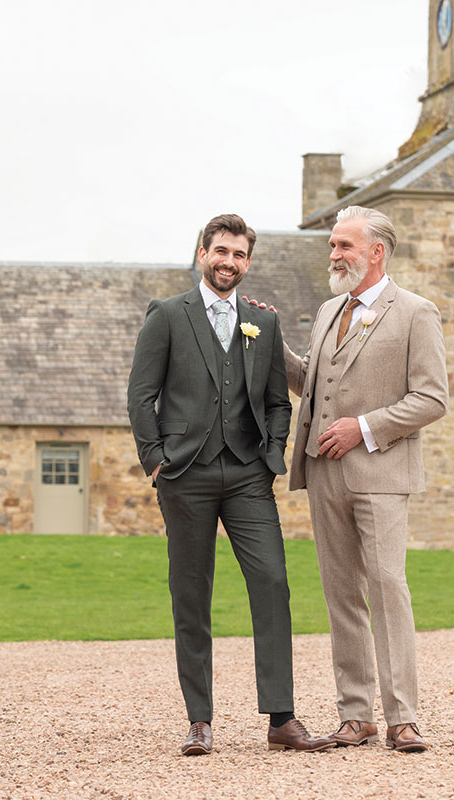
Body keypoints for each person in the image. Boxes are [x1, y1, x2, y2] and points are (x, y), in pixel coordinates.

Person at [127, 213, 331, 756]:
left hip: (247, 476)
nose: (228, 262)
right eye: (221, 251)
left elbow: (275, 400)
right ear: (202, 253)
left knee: (273, 584)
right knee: (191, 594)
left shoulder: (263, 322)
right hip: (184, 474)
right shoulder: (167, 315)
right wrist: (154, 459)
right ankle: (199, 721)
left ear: (247, 262)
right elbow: (140, 395)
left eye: (239, 255)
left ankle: (282, 720)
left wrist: (271, 456)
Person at [282, 205, 448, 752]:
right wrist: (268, 344)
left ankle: (403, 717)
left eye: (343, 246)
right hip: (325, 474)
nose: (333, 254)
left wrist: (366, 427)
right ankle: (357, 715)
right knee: (341, 596)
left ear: (376, 251)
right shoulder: (330, 309)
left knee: (387, 589)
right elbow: (314, 380)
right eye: (332, 245)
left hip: (380, 474)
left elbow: (432, 398)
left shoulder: (416, 313)